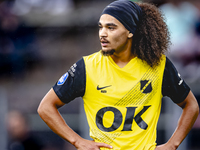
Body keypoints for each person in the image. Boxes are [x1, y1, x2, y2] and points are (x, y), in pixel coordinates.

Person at [37, 0, 199, 150]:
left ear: (130, 31)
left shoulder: (158, 65)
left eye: (111, 28)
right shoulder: (87, 67)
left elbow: (191, 105)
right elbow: (45, 107)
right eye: (100, 27)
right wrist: (77, 141)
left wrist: (172, 144)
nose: (102, 33)